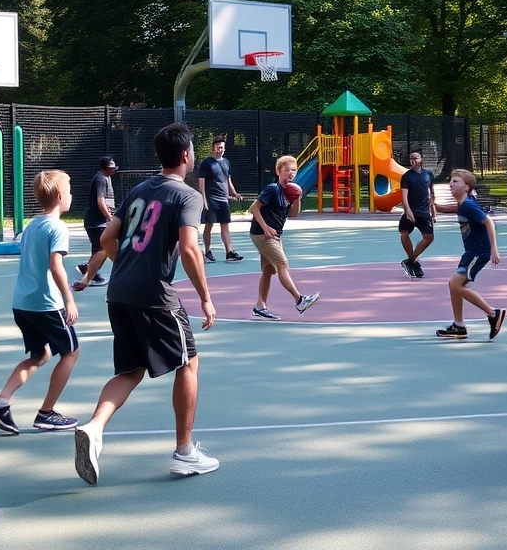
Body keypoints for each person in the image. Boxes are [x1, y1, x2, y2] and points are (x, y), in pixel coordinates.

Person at [73, 123, 218, 485]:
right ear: (186, 156)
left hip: (118, 292)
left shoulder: (139, 189)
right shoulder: (187, 196)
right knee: (189, 362)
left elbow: (108, 237)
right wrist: (205, 297)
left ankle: (93, 428)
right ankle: (185, 453)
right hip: (155, 295)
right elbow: (188, 249)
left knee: (129, 370)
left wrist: (124, 266)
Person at [0, 170, 81, 435]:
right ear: (61, 197)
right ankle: (46, 413)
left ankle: (1, 402)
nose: (71, 195)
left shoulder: (32, 225)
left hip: (22, 303)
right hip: (46, 303)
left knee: (41, 354)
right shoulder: (58, 227)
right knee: (71, 352)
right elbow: (56, 266)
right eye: (69, 191)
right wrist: (68, 299)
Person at [433, 169, 507, 340]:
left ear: (467, 187)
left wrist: (494, 249)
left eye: (456, 181)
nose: (451, 184)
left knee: (456, 284)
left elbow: (488, 221)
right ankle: (459, 326)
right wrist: (434, 206)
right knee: (453, 285)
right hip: (471, 252)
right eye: (450, 181)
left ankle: (493, 313)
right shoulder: (464, 203)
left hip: (479, 252)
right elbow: (455, 209)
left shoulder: (467, 205)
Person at [247, 155, 321, 320]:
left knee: (268, 270)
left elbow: (293, 215)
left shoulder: (289, 192)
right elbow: (254, 208)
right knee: (281, 263)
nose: (291, 173)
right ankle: (299, 299)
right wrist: (265, 228)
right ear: (278, 171)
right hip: (262, 234)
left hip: (275, 236)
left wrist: (297, 198)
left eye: (293, 170)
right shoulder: (273, 189)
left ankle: (260, 308)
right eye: (287, 170)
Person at [74, 155, 118, 291]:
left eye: (113, 168)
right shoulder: (100, 179)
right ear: (103, 168)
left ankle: (89, 270)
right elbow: (101, 201)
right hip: (97, 222)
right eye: (110, 168)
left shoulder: (106, 178)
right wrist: (109, 218)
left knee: (99, 249)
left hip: (98, 222)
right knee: (103, 249)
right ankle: (89, 271)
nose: (112, 171)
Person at [198, 135, 244, 264]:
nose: (220, 149)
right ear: (213, 148)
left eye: (222, 147)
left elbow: (227, 180)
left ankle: (229, 252)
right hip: (211, 199)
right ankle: (207, 251)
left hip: (223, 200)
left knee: (225, 226)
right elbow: (201, 183)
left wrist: (234, 193)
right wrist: (204, 200)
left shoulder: (226, 162)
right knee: (209, 226)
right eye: (218, 147)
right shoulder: (206, 163)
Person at [398, 151, 437, 279]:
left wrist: (433, 210)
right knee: (404, 233)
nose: (413, 160)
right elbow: (404, 197)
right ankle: (412, 261)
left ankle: (411, 261)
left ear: (421, 159)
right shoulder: (407, 176)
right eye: (411, 159)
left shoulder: (428, 174)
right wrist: (407, 210)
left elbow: (431, 193)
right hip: (411, 211)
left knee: (429, 237)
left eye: (415, 158)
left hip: (424, 212)